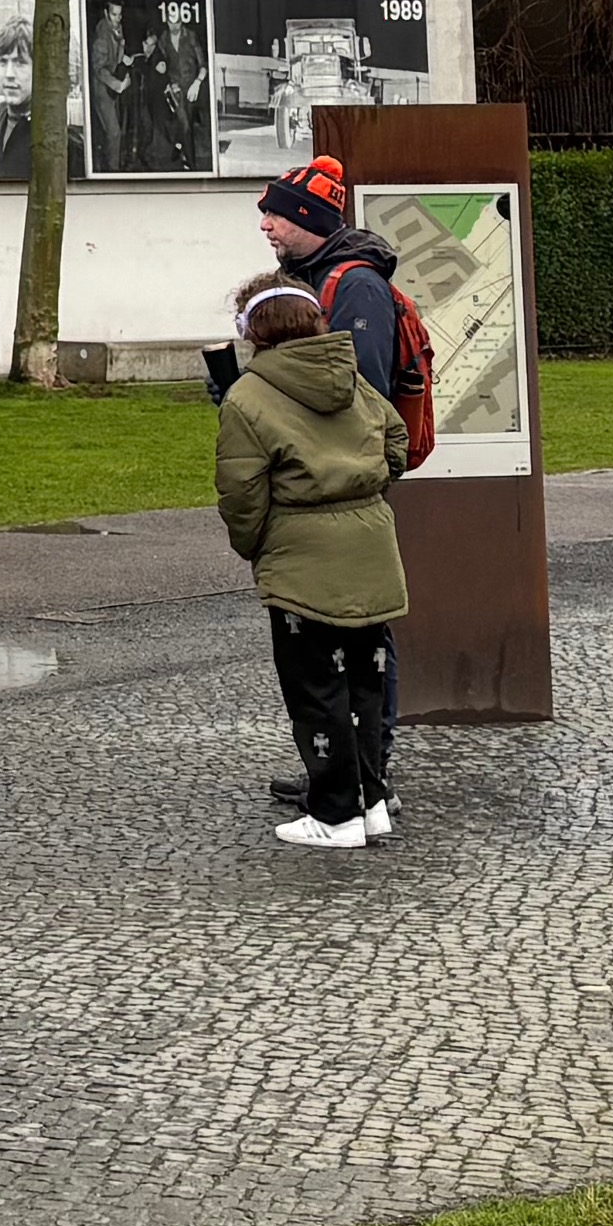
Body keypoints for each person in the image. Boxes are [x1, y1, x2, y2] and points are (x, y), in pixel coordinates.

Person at [215, 283, 409, 851]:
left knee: (316, 688)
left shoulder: (248, 396)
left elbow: (241, 492)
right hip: (370, 545)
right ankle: (371, 801)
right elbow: (395, 439)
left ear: (255, 331)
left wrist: (255, 544)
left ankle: (335, 813)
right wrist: (364, 490)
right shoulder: (350, 378)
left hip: (300, 555)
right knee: (365, 681)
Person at [250, 156, 406, 407]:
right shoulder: (298, 275)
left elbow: (365, 397)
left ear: (308, 218)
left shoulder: (359, 286)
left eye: (276, 214)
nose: (264, 225)